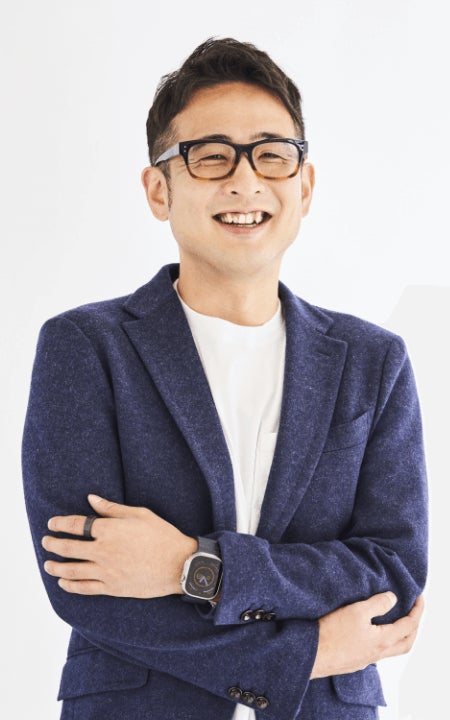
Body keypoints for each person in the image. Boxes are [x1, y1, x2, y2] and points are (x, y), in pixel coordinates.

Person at [22, 37, 427, 720]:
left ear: (304, 186)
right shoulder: (86, 348)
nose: (245, 181)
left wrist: (192, 565)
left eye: (271, 155)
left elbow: (392, 574)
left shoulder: (372, 360)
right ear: (159, 189)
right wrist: (303, 655)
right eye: (211, 156)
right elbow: (82, 579)